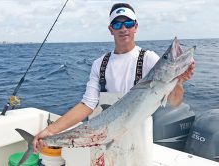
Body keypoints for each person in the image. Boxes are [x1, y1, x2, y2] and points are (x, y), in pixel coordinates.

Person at [33, 2, 195, 165]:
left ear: (135, 27)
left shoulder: (149, 59)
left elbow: (174, 102)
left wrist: (179, 82)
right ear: (111, 29)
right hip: (103, 142)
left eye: (128, 23)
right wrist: (51, 130)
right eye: (117, 24)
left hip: (137, 146)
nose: (123, 28)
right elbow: (87, 104)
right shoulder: (99, 64)